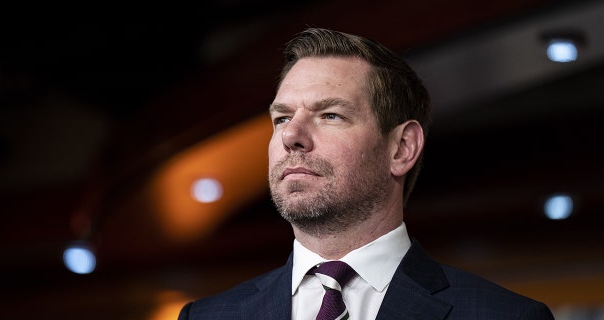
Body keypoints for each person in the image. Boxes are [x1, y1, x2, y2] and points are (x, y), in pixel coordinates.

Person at [178, 27, 555, 319]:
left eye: (330, 115)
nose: (291, 135)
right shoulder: (207, 316)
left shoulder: (504, 316)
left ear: (402, 147)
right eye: (282, 118)